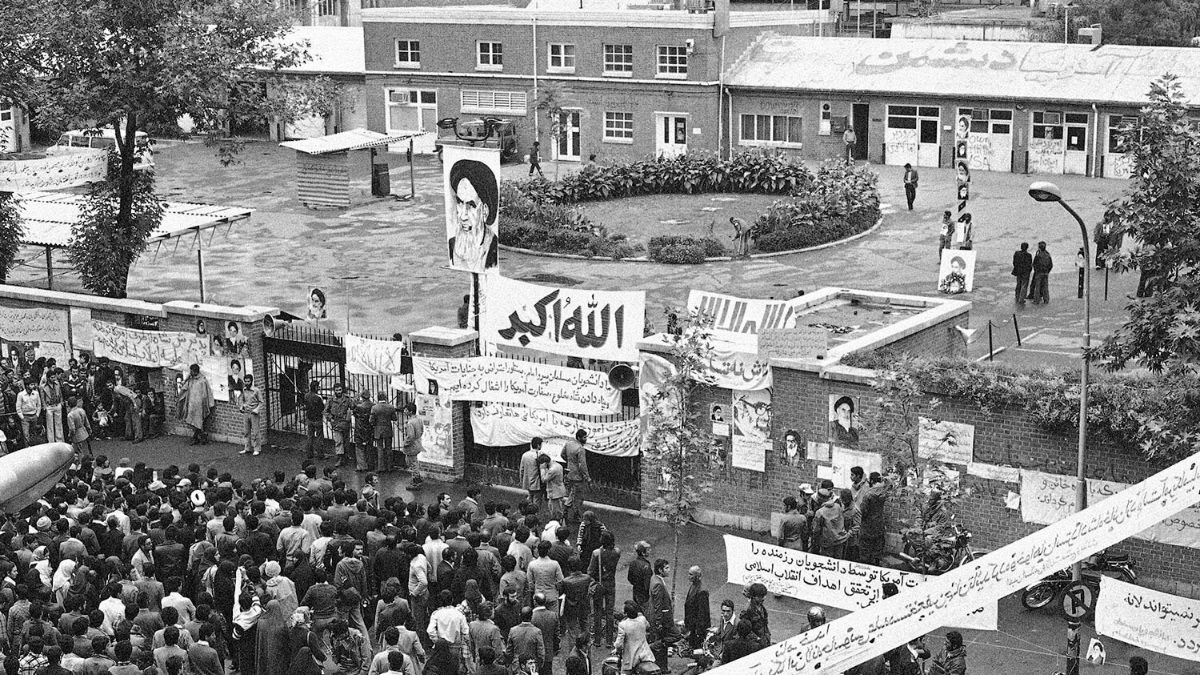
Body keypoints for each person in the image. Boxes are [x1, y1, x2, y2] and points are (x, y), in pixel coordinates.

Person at [447, 158, 499, 273]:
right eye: (460, 203)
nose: (463, 216)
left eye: (471, 206)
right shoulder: (452, 245)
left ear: (485, 210)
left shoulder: (494, 250)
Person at [612, 601, 654, 674]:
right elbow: (648, 626)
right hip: (646, 655)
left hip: (631, 659)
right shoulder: (642, 619)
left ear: (626, 613)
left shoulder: (623, 625)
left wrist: (616, 649)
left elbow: (619, 644)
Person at [177, 364, 214, 446]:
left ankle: (197, 437)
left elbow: (205, 394)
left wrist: (207, 404)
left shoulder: (202, 381)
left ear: (195, 371)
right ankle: (201, 436)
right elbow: (185, 388)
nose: (191, 372)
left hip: (200, 406)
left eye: (192, 371)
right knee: (192, 421)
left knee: (199, 421)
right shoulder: (191, 380)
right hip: (191, 405)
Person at [859, 472, 889, 565]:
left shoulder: (868, 494)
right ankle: (876, 564)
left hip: (868, 525)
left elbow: (863, 511)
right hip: (879, 524)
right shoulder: (884, 493)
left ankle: (865, 565)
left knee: (865, 548)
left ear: (871, 480)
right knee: (877, 547)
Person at [562, 430, 590, 525]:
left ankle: (567, 510)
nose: (586, 439)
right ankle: (574, 514)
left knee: (572, 493)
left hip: (569, 473)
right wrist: (587, 477)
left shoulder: (568, 444)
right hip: (578, 476)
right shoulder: (580, 449)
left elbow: (563, 454)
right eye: (584, 437)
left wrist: (570, 463)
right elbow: (582, 465)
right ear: (579, 438)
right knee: (578, 497)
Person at [811, 488, 849, 559]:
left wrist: (816, 542)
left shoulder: (820, 512)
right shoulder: (838, 506)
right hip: (840, 540)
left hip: (828, 543)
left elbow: (816, 530)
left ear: (820, 499)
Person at [683, 566, 710, 650]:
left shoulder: (702, 591)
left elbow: (703, 612)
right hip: (692, 624)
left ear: (697, 576)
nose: (688, 576)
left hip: (698, 626)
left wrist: (699, 629)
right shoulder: (694, 586)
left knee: (698, 649)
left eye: (691, 574)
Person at [326, 383, 353, 467]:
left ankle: (346, 457)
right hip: (336, 423)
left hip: (345, 423)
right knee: (338, 441)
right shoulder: (330, 400)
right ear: (334, 391)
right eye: (336, 390)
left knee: (346, 442)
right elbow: (326, 411)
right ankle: (339, 459)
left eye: (340, 390)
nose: (338, 392)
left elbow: (353, 407)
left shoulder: (347, 399)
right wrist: (331, 418)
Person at [371, 392, 397, 473]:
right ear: (386, 398)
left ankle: (380, 468)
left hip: (378, 430)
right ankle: (389, 467)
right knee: (389, 448)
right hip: (388, 430)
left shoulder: (374, 408)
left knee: (380, 449)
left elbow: (371, 421)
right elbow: (394, 418)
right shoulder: (391, 407)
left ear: (378, 398)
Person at [239, 374, 263, 456]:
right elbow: (242, 400)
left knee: (255, 432)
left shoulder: (256, 390)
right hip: (246, 412)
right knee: (246, 431)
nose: (247, 383)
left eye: (248, 381)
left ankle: (257, 449)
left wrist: (257, 409)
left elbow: (261, 402)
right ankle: (247, 448)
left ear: (251, 381)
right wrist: (242, 406)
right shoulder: (244, 390)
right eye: (245, 381)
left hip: (254, 413)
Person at [402, 401, 424, 487]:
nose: (404, 411)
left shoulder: (410, 423)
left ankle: (416, 479)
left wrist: (405, 444)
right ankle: (417, 477)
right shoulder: (419, 419)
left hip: (412, 446)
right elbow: (422, 430)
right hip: (418, 443)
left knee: (412, 462)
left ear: (410, 412)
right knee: (415, 461)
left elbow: (410, 436)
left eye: (406, 410)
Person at [538, 454, 566, 521]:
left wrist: (542, 469)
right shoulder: (557, 465)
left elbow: (544, 479)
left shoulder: (552, 470)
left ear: (545, 463)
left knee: (556, 511)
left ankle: (559, 523)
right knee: (554, 508)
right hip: (558, 490)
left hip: (555, 492)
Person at [520, 438, 545, 511]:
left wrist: (522, 481)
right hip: (537, 482)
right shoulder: (540, 455)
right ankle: (534, 516)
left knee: (530, 498)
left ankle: (528, 513)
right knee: (537, 501)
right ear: (538, 445)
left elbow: (521, 469)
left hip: (527, 482)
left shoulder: (525, 455)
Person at [302, 381, 325, 460]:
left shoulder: (306, 395)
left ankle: (309, 453)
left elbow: (306, 405)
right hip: (317, 419)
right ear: (316, 387)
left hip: (309, 418)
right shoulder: (318, 397)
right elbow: (322, 408)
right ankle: (320, 454)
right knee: (319, 437)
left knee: (310, 436)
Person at [1012, 242, 1033, 306]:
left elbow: (1014, 262)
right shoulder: (1029, 255)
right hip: (1025, 272)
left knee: (1018, 284)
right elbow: (1030, 264)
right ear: (1027, 248)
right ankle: (1021, 299)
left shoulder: (1017, 253)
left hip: (1018, 271)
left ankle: (1017, 296)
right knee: (1024, 285)